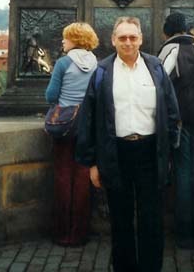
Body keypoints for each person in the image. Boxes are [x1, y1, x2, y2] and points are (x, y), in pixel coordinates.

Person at [76, 16, 180, 272]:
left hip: (149, 152)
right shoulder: (102, 72)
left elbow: (171, 112)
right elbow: (88, 119)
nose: (128, 42)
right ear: (113, 40)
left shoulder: (155, 68)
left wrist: (168, 153)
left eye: (133, 37)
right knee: (120, 221)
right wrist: (92, 163)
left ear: (141, 39)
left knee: (152, 221)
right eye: (122, 38)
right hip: (116, 153)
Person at [158, 12, 194, 252]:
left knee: (183, 172)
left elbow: (160, 77)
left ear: (167, 32)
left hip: (181, 118)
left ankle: (184, 234)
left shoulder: (171, 50)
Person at [45, 22, 99, 246]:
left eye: (65, 38)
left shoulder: (63, 63)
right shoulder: (97, 63)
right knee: (83, 178)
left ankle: (62, 232)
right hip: (87, 124)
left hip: (65, 125)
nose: (62, 41)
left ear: (75, 39)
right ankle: (79, 233)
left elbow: (51, 95)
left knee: (63, 177)